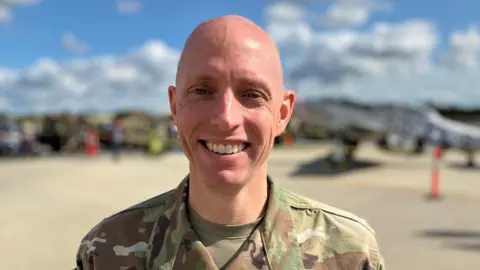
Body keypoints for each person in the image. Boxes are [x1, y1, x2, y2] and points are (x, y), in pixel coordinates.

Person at [74, 15, 385, 270]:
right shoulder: (105, 252)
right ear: (174, 107)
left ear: (282, 114)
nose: (225, 117)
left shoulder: (350, 253)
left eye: (252, 94)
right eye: (202, 91)